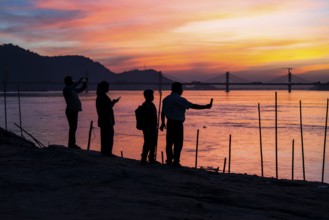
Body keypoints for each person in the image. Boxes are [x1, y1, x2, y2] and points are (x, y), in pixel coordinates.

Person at [160, 82, 213, 167]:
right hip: (177, 124)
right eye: (181, 89)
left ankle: (169, 160)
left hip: (169, 123)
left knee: (169, 143)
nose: (182, 90)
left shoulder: (166, 99)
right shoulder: (180, 100)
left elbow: (163, 112)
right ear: (177, 89)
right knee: (178, 143)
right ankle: (176, 161)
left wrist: (162, 123)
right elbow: (193, 106)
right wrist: (205, 107)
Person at [96, 81, 120, 156]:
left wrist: (113, 103)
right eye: (107, 87)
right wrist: (112, 103)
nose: (108, 88)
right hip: (106, 120)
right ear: (104, 88)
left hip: (103, 120)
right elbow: (106, 108)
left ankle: (104, 152)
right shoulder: (102, 97)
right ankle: (108, 152)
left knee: (104, 137)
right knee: (109, 137)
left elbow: (107, 107)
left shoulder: (100, 96)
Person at [63, 76, 87, 149]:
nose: (72, 81)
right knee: (72, 128)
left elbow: (80, 90)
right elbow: (73, 86)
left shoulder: (72, 89)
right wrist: (79, 81)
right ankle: (71, 144)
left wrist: (84, 84)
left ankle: (72, 144)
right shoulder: (66, 89)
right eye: (71, 80)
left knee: (74, 128)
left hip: (74, 111)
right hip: (70, 111)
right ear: (68, 82)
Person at [139, 89, 158, 164]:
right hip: (148, 127)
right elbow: (146, 118)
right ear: (147, 96)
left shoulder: (151, 104)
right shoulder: (146, 105)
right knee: (147, 143)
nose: (153, 97)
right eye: (152, 95)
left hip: (153, 127)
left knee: (153, 143)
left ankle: (151, 158)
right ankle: (144, 158)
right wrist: (147, 128)